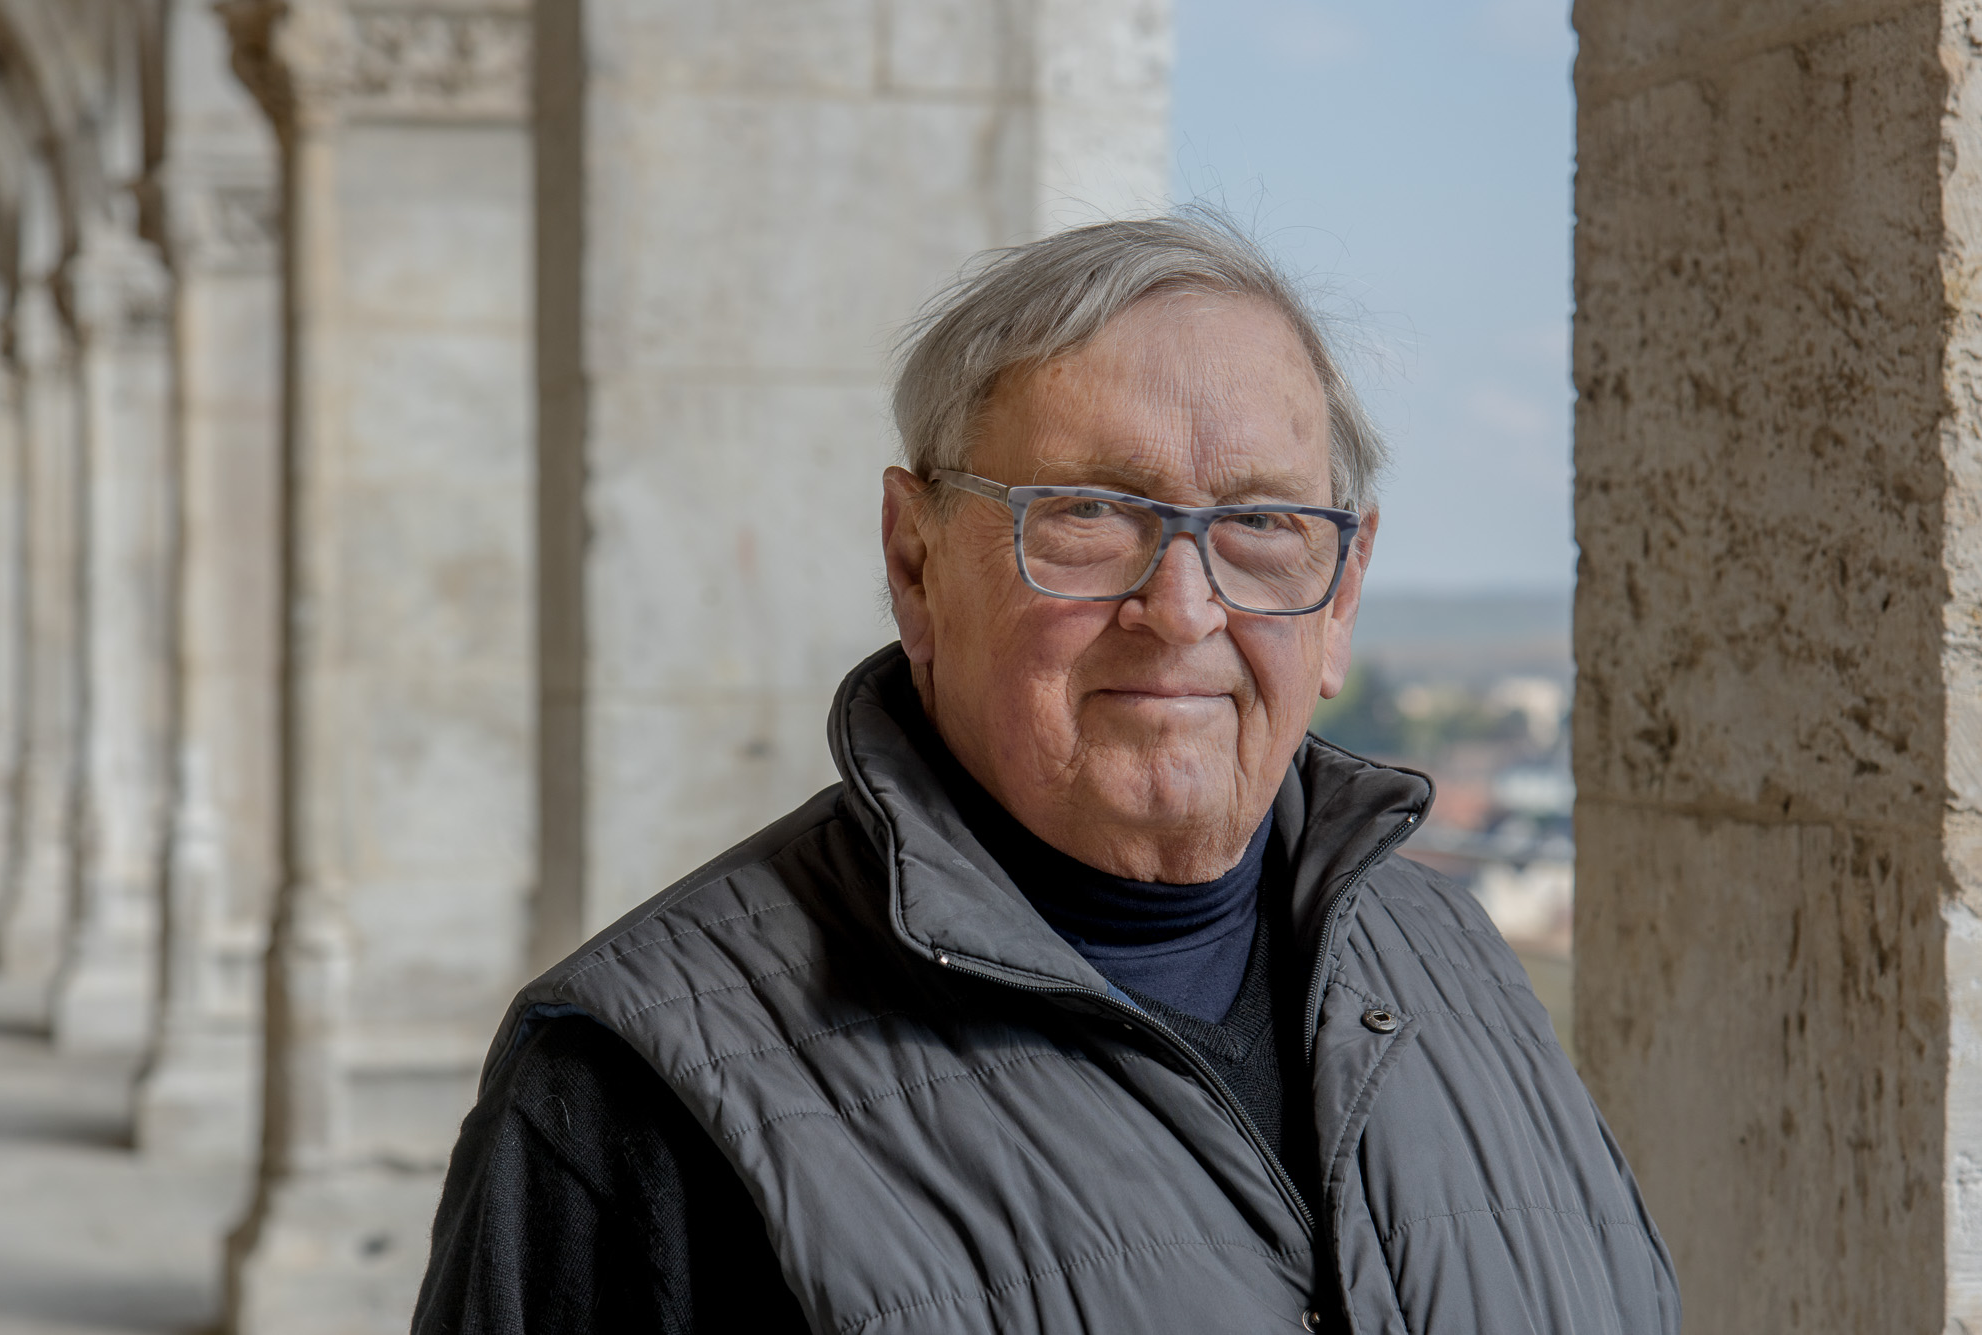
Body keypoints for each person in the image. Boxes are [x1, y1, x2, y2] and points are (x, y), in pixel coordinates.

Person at [414, 214, 1680, 1334]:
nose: (1181, 610)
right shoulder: (632, 1092)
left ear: (1339, 595)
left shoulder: (1450, 962)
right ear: (915, 562)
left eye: (1260, 524)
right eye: (1087, 514)